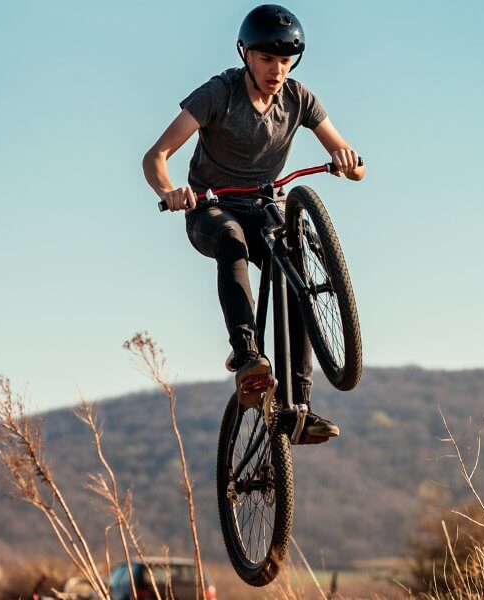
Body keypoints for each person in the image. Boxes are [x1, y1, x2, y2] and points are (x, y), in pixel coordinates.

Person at [140, 4, 364, 441]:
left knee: (295, 274)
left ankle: (298, 407)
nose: (277, 70)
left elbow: (356, 167)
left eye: (285, 61)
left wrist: (347, 161)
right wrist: (169, 190)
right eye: (267, 59)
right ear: (245, 54)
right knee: (230, 240)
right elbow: (155, 157)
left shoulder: (299, 99)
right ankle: (247, 358)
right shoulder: (218, 94)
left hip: (265, 209)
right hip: (212, 206)